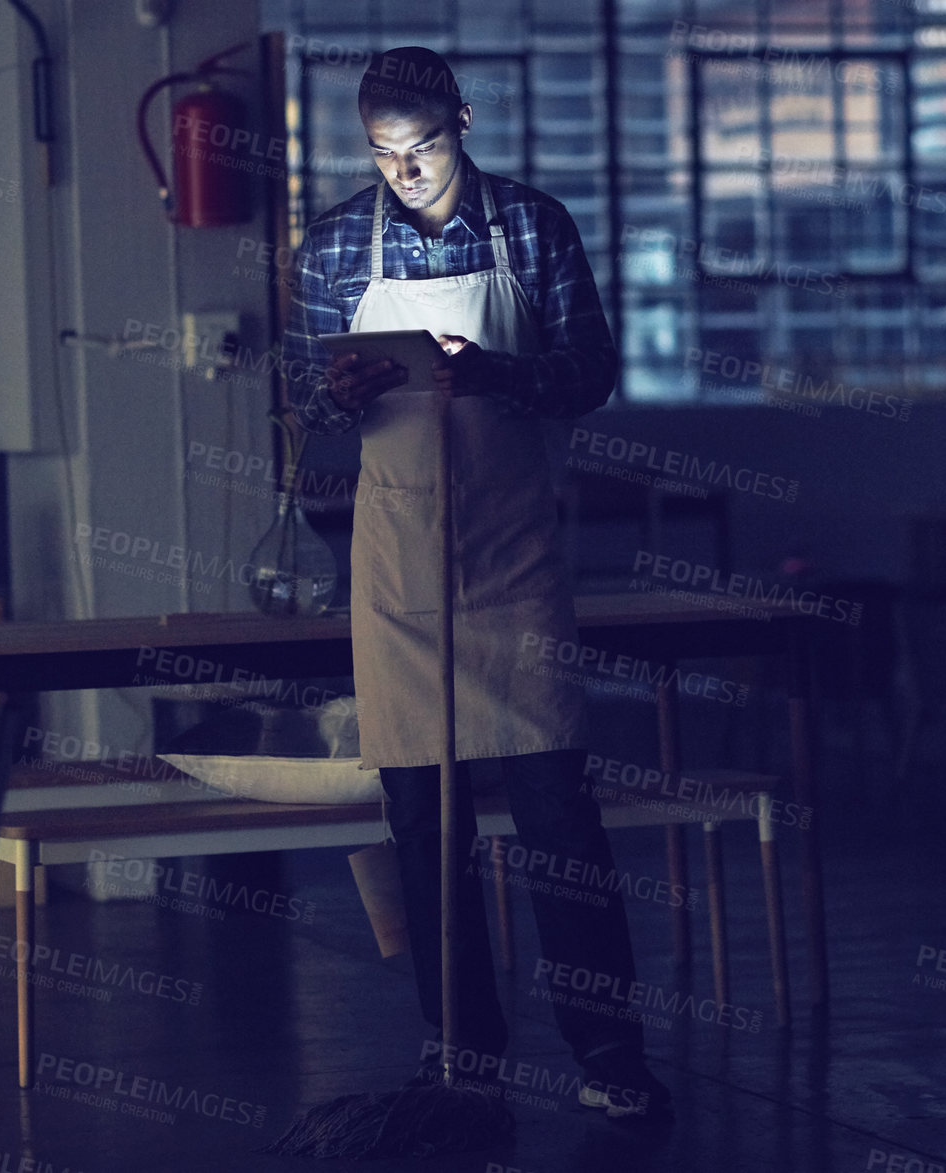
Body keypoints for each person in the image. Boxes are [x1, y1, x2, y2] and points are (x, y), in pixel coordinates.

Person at [284, 45, 672, 1123]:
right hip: (397, 562)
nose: (403, 172)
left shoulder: (531, 228)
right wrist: (337, 385)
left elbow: (589, 373)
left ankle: (609, 1058)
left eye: (422, 148)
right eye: (381, 154)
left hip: (510, 556)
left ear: (461, 121)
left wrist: (493, 367)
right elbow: (299, 394)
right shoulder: (331, 245)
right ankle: (460, 1054)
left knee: (558, 819)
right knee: (421, 820)